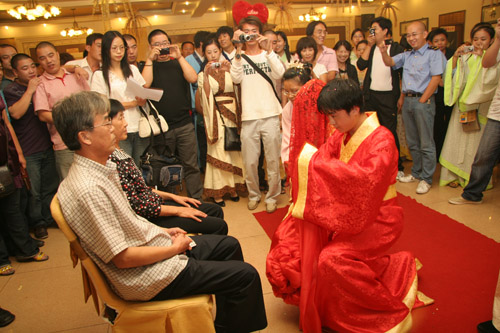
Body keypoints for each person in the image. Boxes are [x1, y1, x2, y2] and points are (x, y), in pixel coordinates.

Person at [54, 91, 267, 332]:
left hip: (152, 251)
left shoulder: (102, 168)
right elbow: (122, 258)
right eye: (106, 121)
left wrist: (165, 233)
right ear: (85, 137)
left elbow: (130, 221)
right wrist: (173, 248)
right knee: (246, 275)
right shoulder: (89, 189)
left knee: (228, 245)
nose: (114, 126)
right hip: (147, 277)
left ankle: (223, 322)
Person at [266, 78, 431, 332]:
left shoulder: (382, 140)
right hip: (350, 213)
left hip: (379, 218)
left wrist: (313, 165)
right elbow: (322, 158)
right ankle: (395, 267)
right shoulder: (343, 134)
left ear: (355, 109)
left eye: (334, 116)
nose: (331, 123)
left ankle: (377, 310)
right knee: (290, 239)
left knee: (331, 259)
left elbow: (362, 182)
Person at [109, 99, 228, 235]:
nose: (126, 123)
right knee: (218, 226)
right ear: (107, 124)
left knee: (215, 210)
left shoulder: (120, 153)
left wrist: (173, 197)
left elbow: (142, 189)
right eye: (121, 118)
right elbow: (137, 205)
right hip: (151, 214)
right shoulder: (111, 161)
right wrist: (178, 210)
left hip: (155, 203)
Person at [379, 21, 446, 194]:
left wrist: (423, 100)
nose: (411, 38)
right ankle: (416, 173)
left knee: (426, 142)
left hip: (423, 101)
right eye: (408, 35)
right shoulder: (407, 55)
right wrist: (382, 49)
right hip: (407, 100)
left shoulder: (434, 54)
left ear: (425, 34)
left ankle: (427, 178)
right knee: (412, 142)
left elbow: (436, 78)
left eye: (415, 34)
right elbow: (389, 62)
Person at [230, 15, 285, 213]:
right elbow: (235, 78)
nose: (250, 35)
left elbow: (280, 75)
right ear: (240, 33)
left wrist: (269, 50)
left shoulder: (268, 55)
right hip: (249, 117)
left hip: (270, 114)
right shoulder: (238, 56)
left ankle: (272, 196)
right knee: (250, 161)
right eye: (246, 31)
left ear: (260, 33)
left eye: (254, 31)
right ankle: (254, 194)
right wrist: (237, 49)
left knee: (272, 160)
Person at [142, 29, 203, 200]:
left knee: (191, 165)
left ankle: (196, 200)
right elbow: (145, 85)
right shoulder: (147, 65)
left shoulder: (178, 62)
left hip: (184, 124)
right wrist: (149, 59)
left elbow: (192, 78)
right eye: (157, 44)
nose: (161, 47)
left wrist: (179, 57)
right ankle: (172, 202)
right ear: (150, 47)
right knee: (164, 167)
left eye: (164, 43)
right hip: (161, 127)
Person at [3, 54, 58, 240]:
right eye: (25, 68)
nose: (31, 70)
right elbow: (16, 114)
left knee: (49, 187)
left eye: (32, 66)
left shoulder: (43, 83)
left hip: (47, 144)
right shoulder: (11, 90)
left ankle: (50, 217)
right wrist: (30, 90)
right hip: (28, 149)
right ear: (16, 72)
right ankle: (38, 223)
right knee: (33, 191)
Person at [440, 23, 498, 188]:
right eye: (475, 39)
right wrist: (457, 58)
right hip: (462, 106)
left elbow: (490, 81)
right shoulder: (467, 56)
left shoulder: (493, 58)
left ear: (492, 40)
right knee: (456, 141)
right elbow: (453, 78)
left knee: (475, 146)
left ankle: (472, 181)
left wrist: (482, 58)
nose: (479, 42)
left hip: (481, 106)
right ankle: (453, 176)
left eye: (483, 39)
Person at [195, 37, 245, 206]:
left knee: (233, 151)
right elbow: (206, 97)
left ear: (220, 51)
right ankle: (217, 192)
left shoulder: (228, 68)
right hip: (216, 119)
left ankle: (233, 188)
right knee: (218, 152)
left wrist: (231, 70)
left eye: (215, 51)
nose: (213, 55)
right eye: (209, 52)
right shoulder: (202, 74)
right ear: (205, 55)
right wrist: (208, 75)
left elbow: (238, 88)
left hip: (232, 116)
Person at [0, 101, 48, 276]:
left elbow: (7, 125)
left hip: (6, 161)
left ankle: (25, 250)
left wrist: (19, 153)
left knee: (14, 209)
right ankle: (2, 259)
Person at [357, 17, 406, 179]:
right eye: (371, 29)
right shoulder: (370, 49)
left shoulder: (396, 48)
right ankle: (374, 164)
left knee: (390, 132)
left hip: (388, 97)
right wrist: (370, 45)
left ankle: (396, 166)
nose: (372, 32)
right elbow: (361, 65)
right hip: (371, 96)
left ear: (385, 31)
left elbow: (403, 74)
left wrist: (401, 96)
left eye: (375, 29)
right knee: (372, 132)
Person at [33, 41, 89, 180]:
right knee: (70, 184)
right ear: (39, 62)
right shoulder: (41, 84)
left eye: (51, 55)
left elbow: (90, 102)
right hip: (63, 144)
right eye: (42, 58)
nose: (48, 60)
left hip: (88, 139)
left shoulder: (76, 75)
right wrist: (70, 120)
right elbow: (43, 115)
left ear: (57, 55)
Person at [91, 31, 147, 167]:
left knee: (141, 167)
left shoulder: (133, 69)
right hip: (116, 128)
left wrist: (143, 98)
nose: (119, 51)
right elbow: (102, 105)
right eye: (114, 48)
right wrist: (133, 103)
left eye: (122, 47)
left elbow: (143, 91)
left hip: (139, 125)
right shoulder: (99, 75)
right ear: (106, 49)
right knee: (123, 168)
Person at [281, 64, 328, 184]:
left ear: (307, 86)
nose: (290, 96)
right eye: (286, 92)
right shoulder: (288, 109)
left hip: (324, 154)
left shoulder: (321, 105)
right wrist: (288, 160)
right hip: (301, 156)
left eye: (294, 91)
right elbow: (287, 138)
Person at [427, 28, 455, 160]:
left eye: (442, 40)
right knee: (437, 125)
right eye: (436, 41)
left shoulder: (453, 54)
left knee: (450, 123)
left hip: (452, 94)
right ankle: (438, 154)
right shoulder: (430, 55)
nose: (440, 43)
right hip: (437, 95)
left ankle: (450, 154)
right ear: (431, 43)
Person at [186, 30, 211, 174]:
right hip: (197, 108)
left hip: (211, 106)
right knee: (198, 142)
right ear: (202, 44)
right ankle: (202, 167)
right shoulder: (188, 60)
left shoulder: (210, 60)